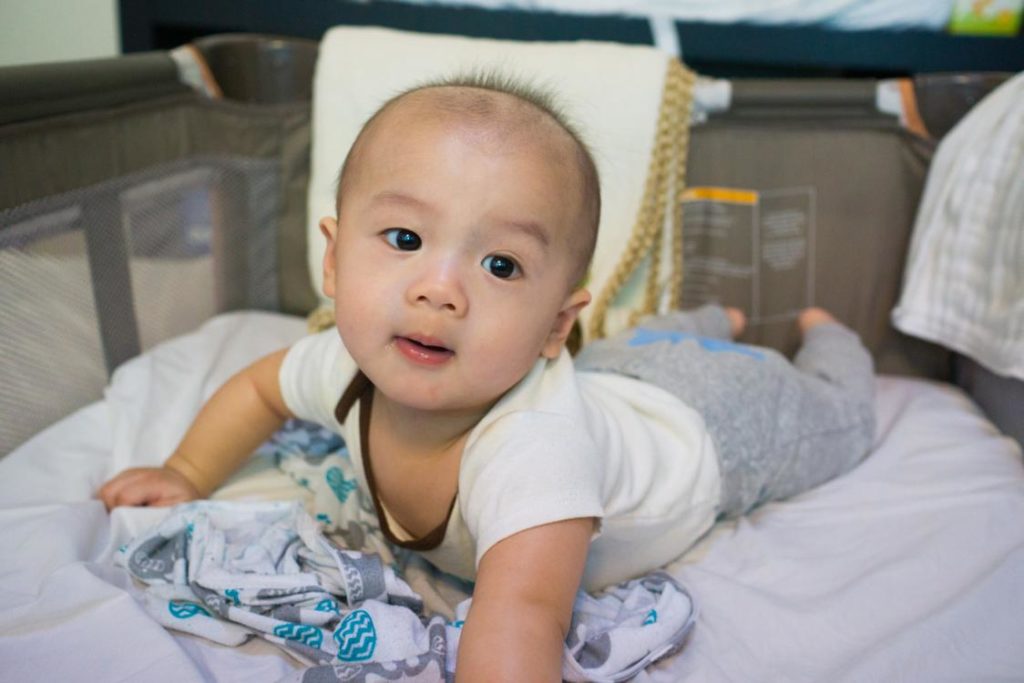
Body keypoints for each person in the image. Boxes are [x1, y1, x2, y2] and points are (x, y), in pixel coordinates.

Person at [98, 73, 875, 681]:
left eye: (500, 264)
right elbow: (259, 389)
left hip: (714, 429)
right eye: (405, 238)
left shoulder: (534, 450)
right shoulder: (344, 362)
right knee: (645, 346)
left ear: (554, 324)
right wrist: (185, 469)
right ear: (333, 260)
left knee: (837, 414)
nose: (440, 290)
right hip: (613, 375)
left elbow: (524, 614)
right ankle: (713, 320)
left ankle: (826, 335)